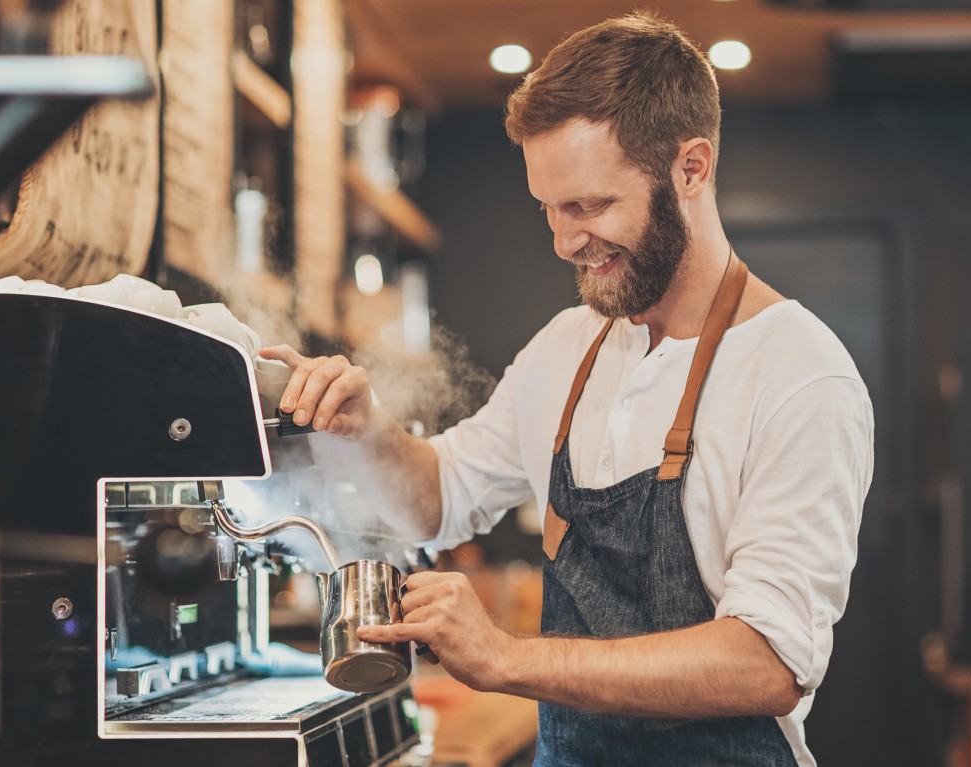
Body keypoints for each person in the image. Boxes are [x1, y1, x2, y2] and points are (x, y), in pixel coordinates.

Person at [260, 12, 872, 766]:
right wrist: (365, 428)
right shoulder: (567, 346)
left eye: (589, 205)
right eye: (548, 209)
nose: (564, 241)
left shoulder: (800, 371)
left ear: (691, 168)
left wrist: (507, 657)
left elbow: (766, 663)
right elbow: (439, 499)